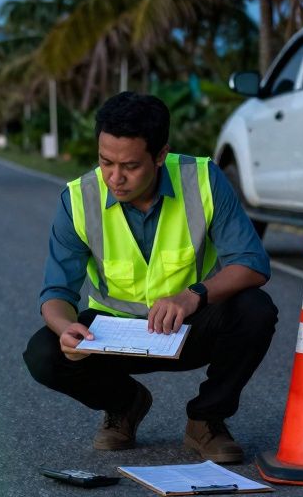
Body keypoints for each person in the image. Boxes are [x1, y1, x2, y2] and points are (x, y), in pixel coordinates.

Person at [23, 91, 276, 463]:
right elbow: (57, 291)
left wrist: (193, 296)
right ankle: (125, 404)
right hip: (111, 338)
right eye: (105, 161)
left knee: (255, 310)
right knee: (43, 353)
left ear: (160, 155)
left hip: (184, 328)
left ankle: (206, 419)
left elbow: (252, 264)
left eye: (130, 166)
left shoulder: (203, 179)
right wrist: (65, 328)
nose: (115, 177)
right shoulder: (78, 198)